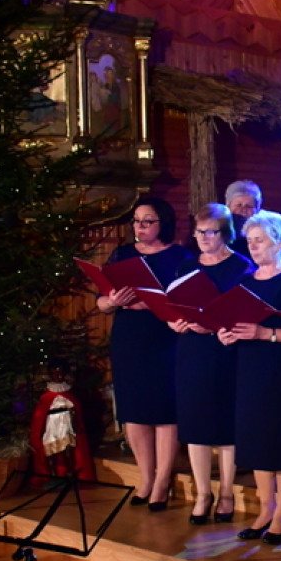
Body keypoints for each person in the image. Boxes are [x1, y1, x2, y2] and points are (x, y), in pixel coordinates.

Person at [219, 211, 281, 544]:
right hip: (250, 368)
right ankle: (265, 507)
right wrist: (227, 335)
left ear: (280, 242)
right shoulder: (245, 281)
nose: (253, 247)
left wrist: (264, 333)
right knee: (256, 439)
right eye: (251, 241)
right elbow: (233, 322)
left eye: (260, 240)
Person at [97, 197, 192, 511]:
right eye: (136, 221)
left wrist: (149, 302)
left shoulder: (180, 257)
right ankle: (146, 477)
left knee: (164, 410)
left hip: (164, 338)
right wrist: (112, 301)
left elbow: (186, 302)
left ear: (162, 222)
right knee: (134, 410)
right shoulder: (122, 254)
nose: (140, 227)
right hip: (129, 338)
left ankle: (163, 480)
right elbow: (102, 301)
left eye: (147, 221)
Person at [168, 204, 253, 525]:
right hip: (191, 350)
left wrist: (215, 325)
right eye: (199, 231)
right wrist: (173, 323)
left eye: (211, 232)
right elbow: (173, 304)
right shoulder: (186, 266)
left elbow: (243, 310)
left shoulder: (240, 267)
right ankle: (203, 493)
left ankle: (227, 492)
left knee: (225, 426)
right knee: (195, 425)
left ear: (226, 233)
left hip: (225, 352)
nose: (203, 238)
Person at [224, 180, 263, 259]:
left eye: (249, 206)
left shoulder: (264, 230)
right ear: (228, 206)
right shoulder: (222, 228)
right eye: (238, 205)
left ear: (257, 209)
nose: (244, 209)